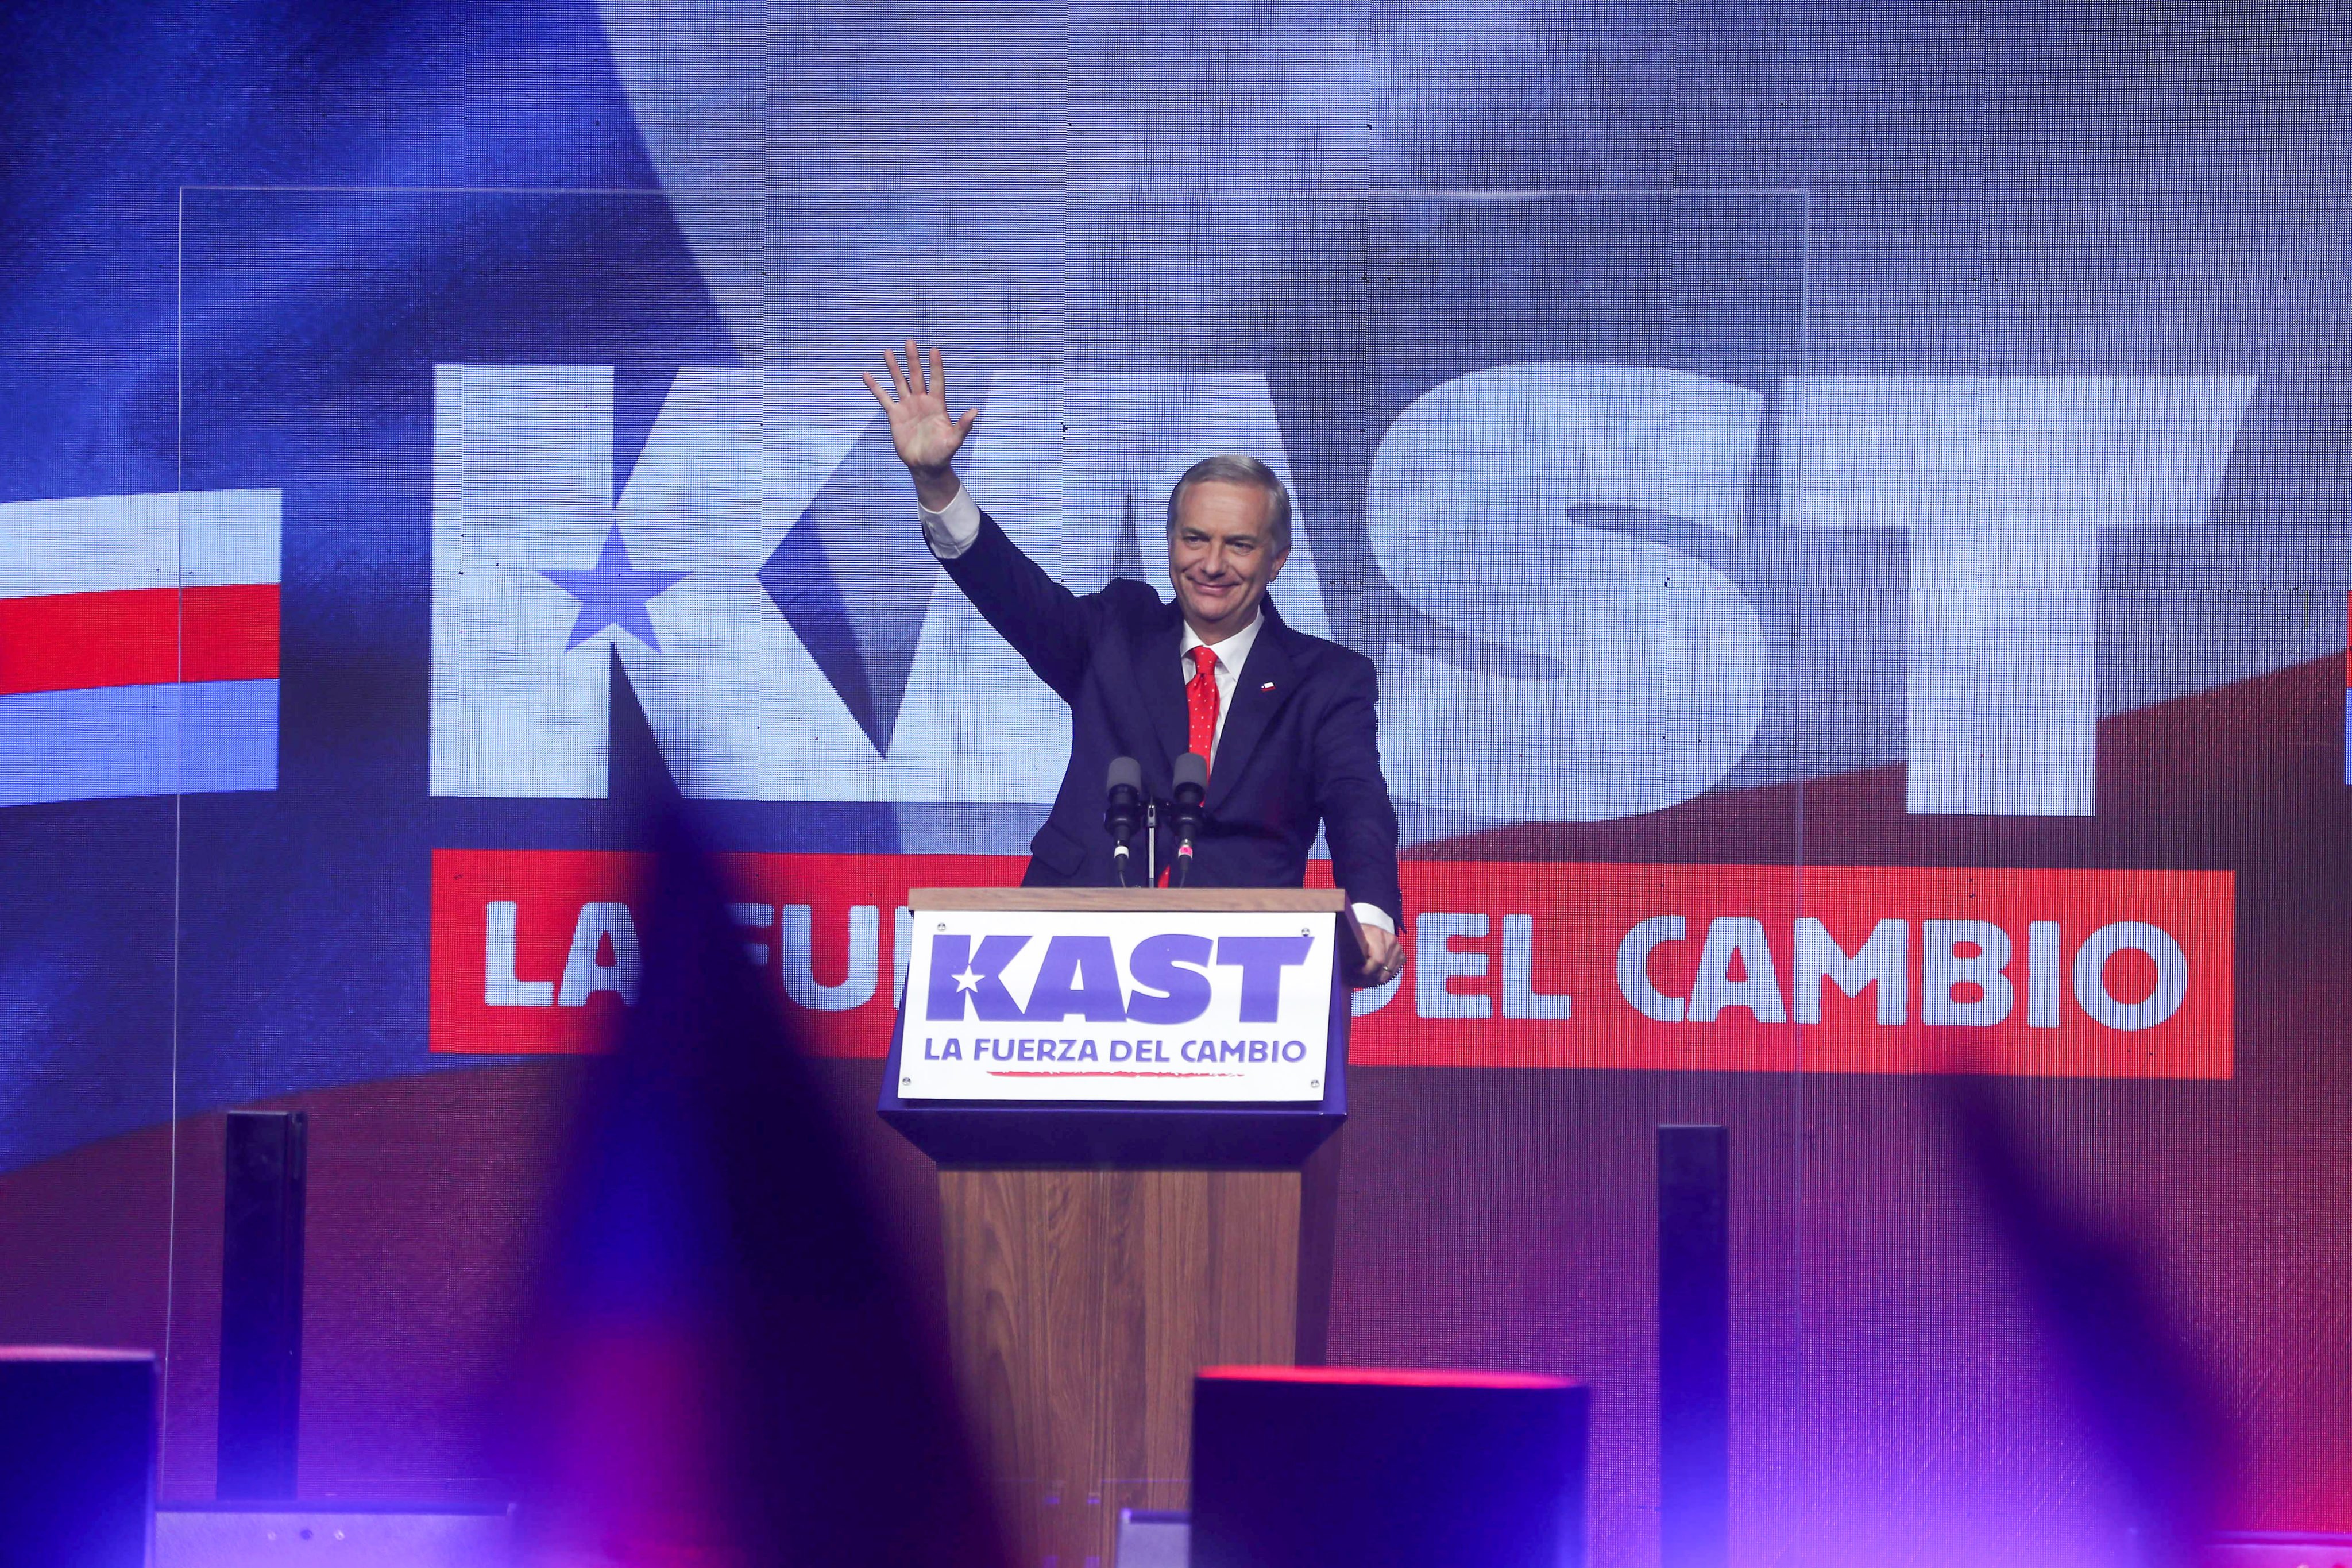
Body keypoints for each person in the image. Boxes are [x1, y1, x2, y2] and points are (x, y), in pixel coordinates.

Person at [862, 339, 1406, 985]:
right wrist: (936, 482)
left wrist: (1371, 910)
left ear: (1277, 558)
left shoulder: (1327, 680)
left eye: (1238, 545)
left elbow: (1355, 798)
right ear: (1169, 540)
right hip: (1063, 955)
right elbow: (1012, 592)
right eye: (1195, 538)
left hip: (1241, 972)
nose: (1211, 564)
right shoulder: (1114, 633)